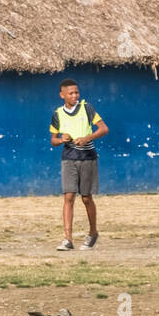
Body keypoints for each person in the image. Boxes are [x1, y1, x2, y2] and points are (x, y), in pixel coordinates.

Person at [50, 78, 107, 250]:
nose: (75, 95)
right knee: (68, 196)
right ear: (62, 95)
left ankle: (93, 232)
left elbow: (104, 129)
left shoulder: (87, 108)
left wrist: (87, 138)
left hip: (88, 157)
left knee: (86, 198)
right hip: (68, 158)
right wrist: (61, 140)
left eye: (77, 92)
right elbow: (53, 140)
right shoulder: (57, 114)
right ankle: (67, 239)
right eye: (71, 93)